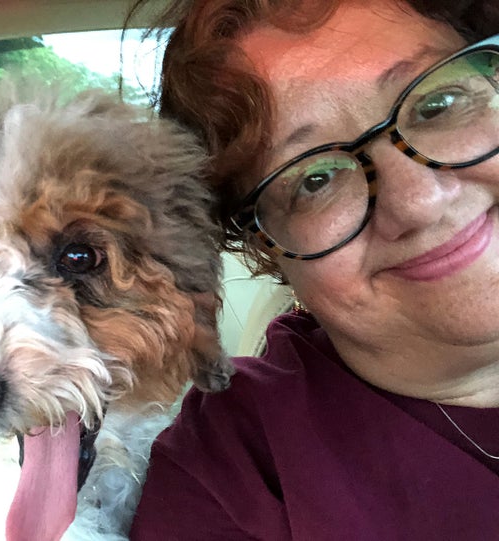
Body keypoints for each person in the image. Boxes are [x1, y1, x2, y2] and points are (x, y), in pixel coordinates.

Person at [127, 0, 499, 539]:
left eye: (438, 104)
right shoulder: (232, 478)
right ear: (263, 249)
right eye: (315, 179)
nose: (419, 201)